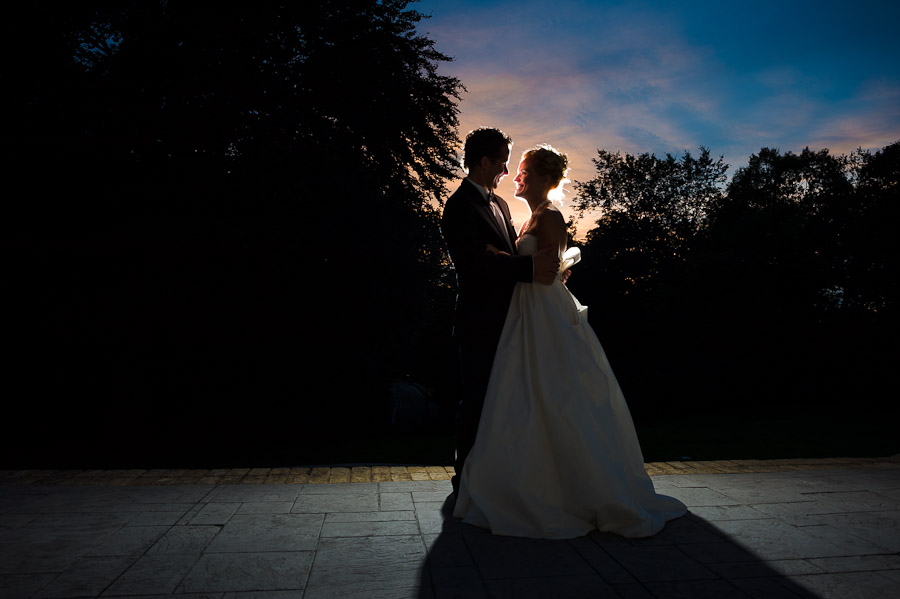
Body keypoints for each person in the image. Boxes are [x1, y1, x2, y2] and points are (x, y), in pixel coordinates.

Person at [452, 144, 687, 539]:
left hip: (543, 316)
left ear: (544, 179)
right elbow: (536, 264)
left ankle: (575, 489)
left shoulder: (550, 216)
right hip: (524, 315)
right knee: (526, 396)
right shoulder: (525, 217)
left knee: (554, 394)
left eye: (524, 170)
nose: (517, 176)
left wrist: (532, 263)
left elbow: (545, 272)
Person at [440, 128, 560, 497]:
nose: (506, 173)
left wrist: (514, 260)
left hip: (513, 320)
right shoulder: (459, 206)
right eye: (502, 164)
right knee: (477, 401)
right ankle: (466, 483)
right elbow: (475, 265)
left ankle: (499, 478)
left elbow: (505, 253)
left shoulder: (500, 204)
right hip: (480, 322)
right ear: (484, 161)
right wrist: (525, 268)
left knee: (505, 402)